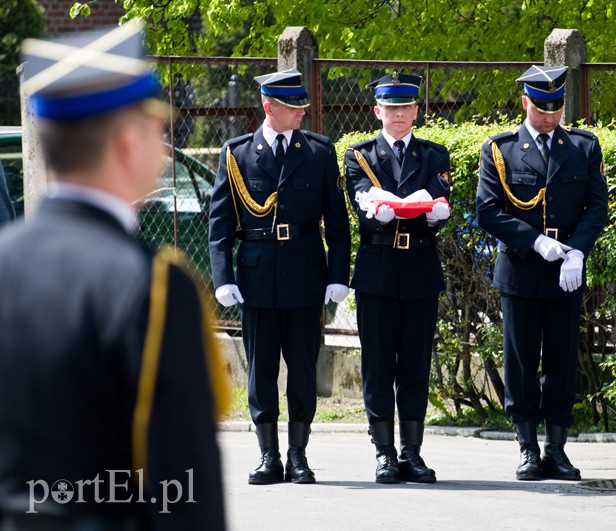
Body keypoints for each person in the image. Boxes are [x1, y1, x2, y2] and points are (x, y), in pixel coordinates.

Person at [0, 21, 228, 529]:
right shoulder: (153, 285)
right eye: (157, 128)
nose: (164, 144)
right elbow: (186, 494)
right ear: (127, 142)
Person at [209, 69, 350, 485]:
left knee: (304, 370)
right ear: (269, 107)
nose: (302, 113)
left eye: (303, 106)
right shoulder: (237, 154)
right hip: (257, 278)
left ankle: (298, 456)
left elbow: (338, 226)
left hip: (306, 276)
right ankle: (269, 456)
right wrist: (223, 276)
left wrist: (337, 275)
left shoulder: (320, 152)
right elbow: (219, 225)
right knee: (261, 370)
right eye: (293, 107)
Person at [476, 65, 608, 482]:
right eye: (541, 108)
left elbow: (596, 206)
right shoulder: (500, 149)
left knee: (561, 360)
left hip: (565, 269)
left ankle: (557, 448)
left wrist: (578, 252)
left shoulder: (584, 147)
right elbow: (488, 210)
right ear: (525, 103)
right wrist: (535, 241)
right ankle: (527, 448)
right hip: (521, 268)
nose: (549, 117)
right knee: (520, 361)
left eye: (556, 108)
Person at [344, 72, 451, 484]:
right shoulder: (361, 156)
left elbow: (440, 204)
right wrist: (377, 210)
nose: (399, 115)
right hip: (379, 270)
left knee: (415, 365)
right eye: (391, 108)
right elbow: (361, 204)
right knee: (377, 365)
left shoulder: (433, 154)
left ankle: (412, 452)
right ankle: (384, 452)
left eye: (406, 107)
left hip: (421, 269)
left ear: (416, 111)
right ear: (377, 111)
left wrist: (436, 213)